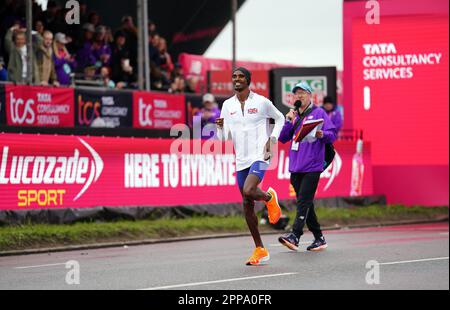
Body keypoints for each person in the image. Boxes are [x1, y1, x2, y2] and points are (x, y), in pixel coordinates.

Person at [216, 67, 285, 266]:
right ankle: (260, 249)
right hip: (241, 159)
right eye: (234, 77)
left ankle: (269, 198)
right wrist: (220, 128)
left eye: (240, 77)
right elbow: (223, 139)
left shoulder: (262, 102)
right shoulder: (227, 105)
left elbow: (279, 119)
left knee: (249, 189)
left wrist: (272, 140)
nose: (236, 79)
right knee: (247, 203)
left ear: (248, 80)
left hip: (260, 154)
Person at [277, 82, 337, 252]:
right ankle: (319, 238)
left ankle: (295, 235)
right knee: (306, 203)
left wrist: (322, 134)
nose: (299, 96)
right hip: (296, 166)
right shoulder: (294, 115)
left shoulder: (319, 112)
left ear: (310, 95)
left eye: (303, 92)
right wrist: (288, 120)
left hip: (312, 166)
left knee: (303, 201)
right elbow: (282, 138)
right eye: (296, 93)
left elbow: (332, 135)